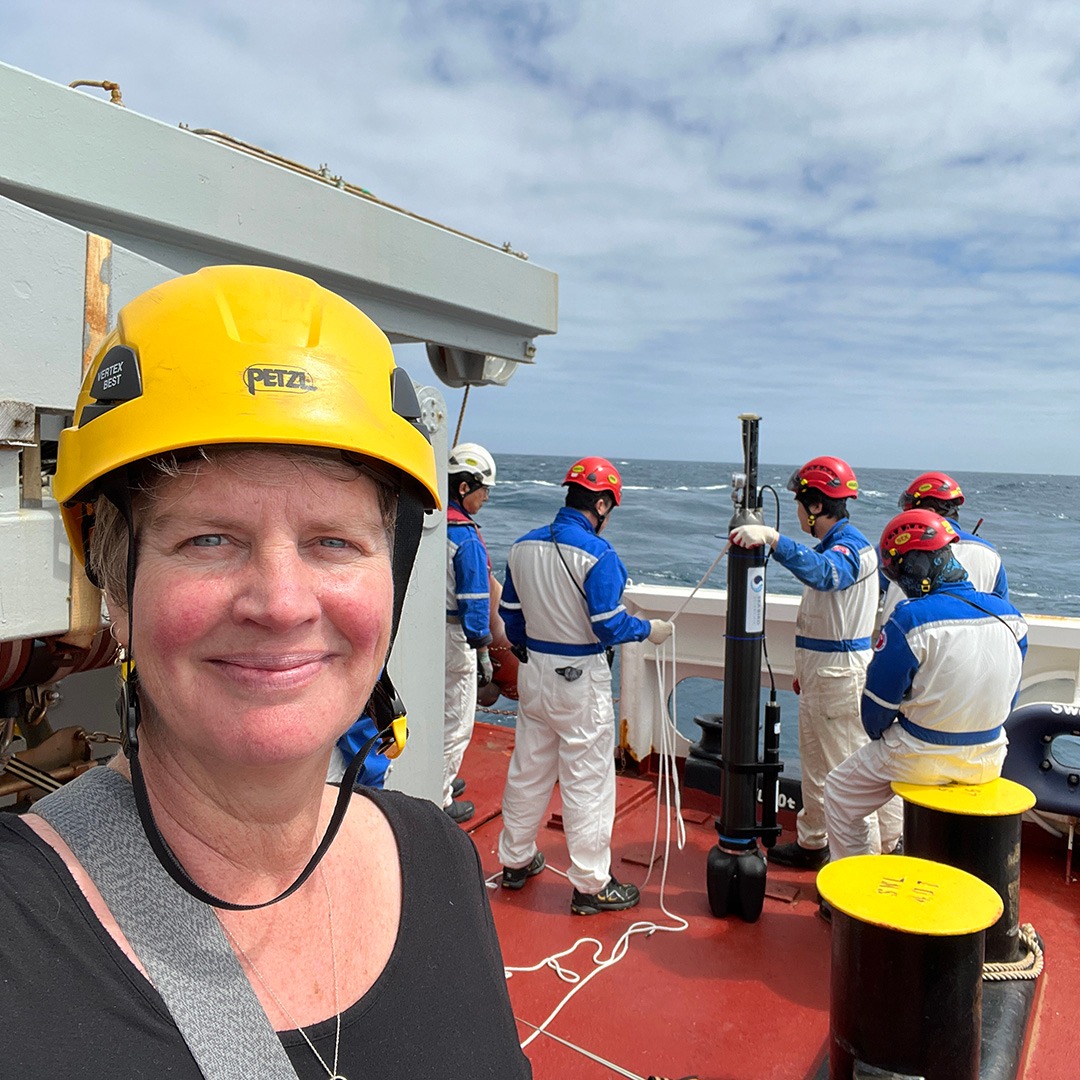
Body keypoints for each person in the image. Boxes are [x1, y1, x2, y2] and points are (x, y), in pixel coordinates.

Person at [0, 266, 531, 1078]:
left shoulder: (441, 860)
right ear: (115, 584)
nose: (281, 604)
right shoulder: (17, 930)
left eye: (334, 541)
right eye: (209, 538)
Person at [497, 457, 674, 915]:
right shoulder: (600, 556)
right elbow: (609, 626)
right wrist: (648, 628)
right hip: (579, 679)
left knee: (528, 769)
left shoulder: (520, 548)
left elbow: (510, 617)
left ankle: (514, 861)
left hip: (535, 672)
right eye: (609, 506)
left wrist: (524, 648)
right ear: (600, 503)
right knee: (588, 782)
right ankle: (592, 886)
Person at [729, 455, 902, 868]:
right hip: (825, 671)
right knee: (822, 767)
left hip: (837, 674)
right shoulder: (849, 545)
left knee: (843, 780)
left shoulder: (848, 550)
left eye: (800, 504)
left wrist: (773, 540)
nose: (797, 511)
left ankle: (859, 873)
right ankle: (814, 843)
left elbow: (824, 574)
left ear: (817, 506)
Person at [824, 509, 1027, 861]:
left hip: (921, 755)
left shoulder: (910, 619)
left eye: (900, 570)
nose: (900, 581)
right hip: (990, 756)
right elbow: (1008, 699)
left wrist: (886, 737)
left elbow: (876, 712)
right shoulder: (1011, 617)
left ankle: (855, 876)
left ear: (918, 565)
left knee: (840, 791)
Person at [443, 441, 498, 824]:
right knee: (456, 720)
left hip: (427, 635)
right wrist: (481, 649)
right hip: (453, 636)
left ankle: (437, 779)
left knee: (431, 710)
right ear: (465, 488)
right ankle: (441, 797)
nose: (486, 499)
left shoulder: (430, 525)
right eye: (484, 491)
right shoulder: (465, 536)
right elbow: (474, 600)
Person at [879, 470, 1009, 625]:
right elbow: (1002, 610)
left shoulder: (896, 549)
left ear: (928, 512)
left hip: (904, 637)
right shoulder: (991, 555)